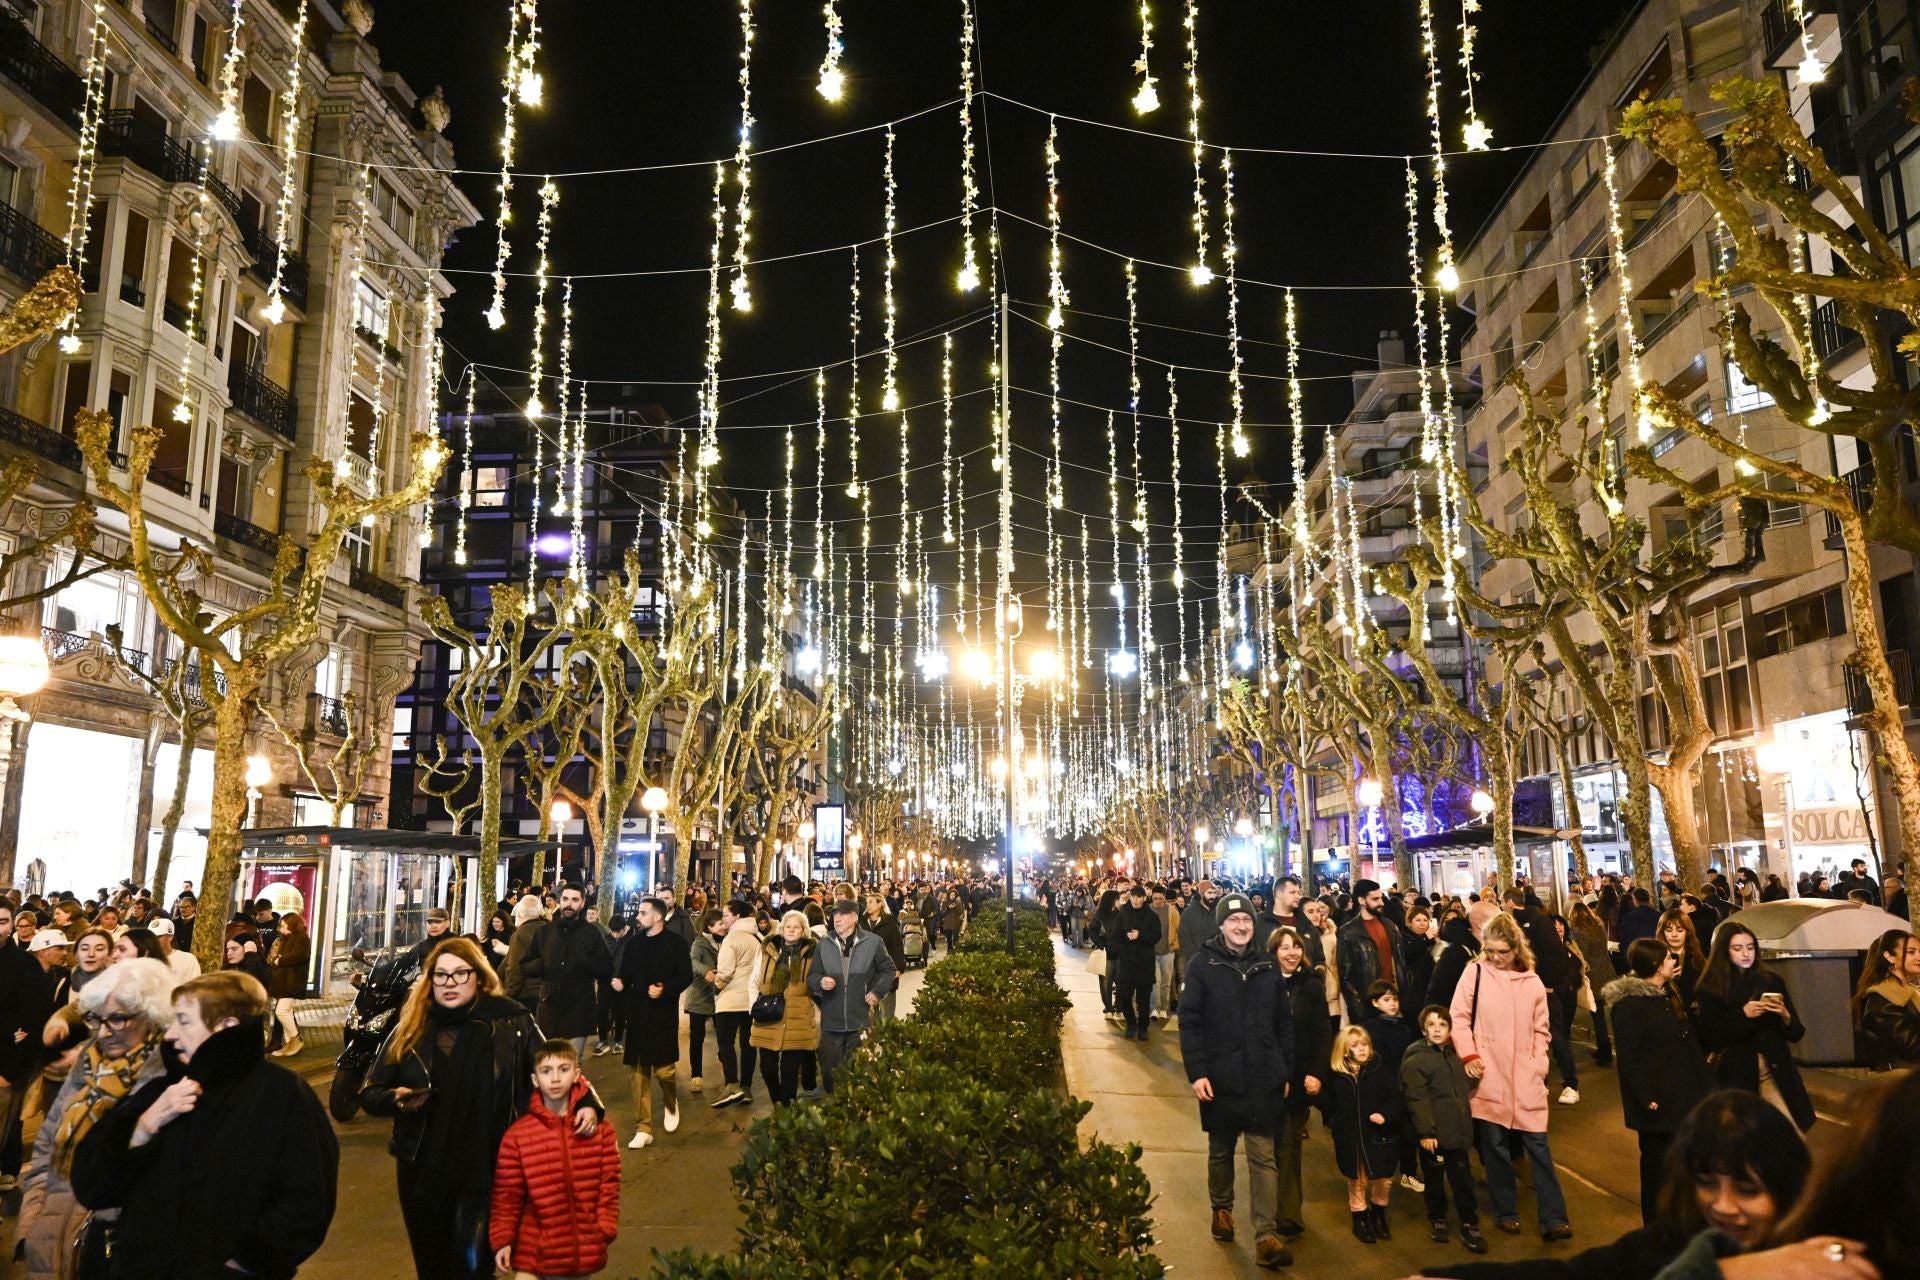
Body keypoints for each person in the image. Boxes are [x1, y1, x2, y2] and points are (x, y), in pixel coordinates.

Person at [69, 971, 339, 1279]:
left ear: (226, 1026)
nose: (170, 1035)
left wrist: (243, 1264)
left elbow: (307, 1202)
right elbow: (92, 1186)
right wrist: (145, 1125)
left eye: (183, 1021)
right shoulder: (159, 1092)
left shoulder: (282, 1095)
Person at [362, 936, 601, 1279]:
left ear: (478, 976)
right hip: (423, 1169)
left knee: (474, 1267)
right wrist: (396, 1099)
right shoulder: (411, 1027)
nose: (450, 983)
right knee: (432, 1268)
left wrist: (586, 1102)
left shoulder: (511, 1021)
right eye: (441, 975)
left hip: (488, 1167)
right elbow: (371, 1091)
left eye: (460, 973)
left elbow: (553, 1068)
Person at [1424, 1090, 1813, 1280]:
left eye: (1747, 1189)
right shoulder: (1672, 1244)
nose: (1722, 1206)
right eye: (1707, 1183)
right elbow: (1571, 1277)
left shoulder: (1821, 1260)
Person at [16, 959, 173, 1280]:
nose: (103, 1032)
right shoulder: (88, 1065)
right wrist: (32, 1222)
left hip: (115, 1252)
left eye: (117, 1019)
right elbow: (46, 1149)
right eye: (96, 1018)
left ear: (152, 1015)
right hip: (50, 1240)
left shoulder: (168, 1080)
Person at [1180, 892, 1295, 1271]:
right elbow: (1190, 1022)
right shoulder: (1202, 965)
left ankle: (1266, 1235)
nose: (1241, 926)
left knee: (1264, 1157)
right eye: (1233, 920)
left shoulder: (1267, 964)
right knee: (1221, 1150)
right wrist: (1198, 1072)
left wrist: (1284, 1069)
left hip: (1263, 1076)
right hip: (1220, 1076)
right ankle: (1222, 1209)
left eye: (1246, 920)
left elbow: (1283, 1022)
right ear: (1221, 925)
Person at [1450, 911, 1573, 1242]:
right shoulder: (1474, 972)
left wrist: (1538, 1065)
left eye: (1502, 951)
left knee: (1539, 1147)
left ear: (1516, 948)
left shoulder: (1532, 982)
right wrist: (1470, 1055)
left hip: (1526, 1077)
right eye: (1490, 950)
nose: (1495, 957)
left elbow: (1542, 1030)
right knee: (1495, 1147)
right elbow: (1458, 1017)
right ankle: (1506, 1210)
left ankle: (1554, 1218)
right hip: (1488, 1074)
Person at [487, 1040, 620, 1279]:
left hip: (580, 1248)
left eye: (563, 1069)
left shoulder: (601, 1131)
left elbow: (609, 1184)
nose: (555, 1078)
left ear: (577, 1074)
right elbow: (507, 1195)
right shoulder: (518, 1136)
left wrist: (604, 1228)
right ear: (535, 1079)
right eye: (546, 1071)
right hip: (534, 1248)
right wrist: (503, 1239)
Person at [1606, 938, 1716, 1226]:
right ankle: (1655, 1228)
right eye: (1668, 958)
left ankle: (1682, 1222)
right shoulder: (1629, 1005)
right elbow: (1628, 1056)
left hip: (1684, 1093)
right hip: (1658, 1103)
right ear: (1656, 965)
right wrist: (1646, 1096)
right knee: (1657, 1169)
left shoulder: (1668, 994)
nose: (1672, 961)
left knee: (1685, 1164)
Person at [1693, 920, 1814, 1133]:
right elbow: (1709, 1034)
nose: (1745, 953)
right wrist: (1743, 1014)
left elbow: (1796, 1032)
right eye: (1737, 948)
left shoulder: (1770, 981)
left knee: (1790, 1133)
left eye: (1750, 947)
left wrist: (1785, 1015)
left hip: (1774, 1069)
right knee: (1745, 1136)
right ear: (1724, 951)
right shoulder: (1710, 987)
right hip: (1736, 1074)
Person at [1401, 1003, 1487, 1254]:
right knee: (1435, 1181)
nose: (1437, 1029)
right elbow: (1416, 1099)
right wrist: (1426, 1132)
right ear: (1423, 1029)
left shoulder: (1452, 1055)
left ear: (1449, 1029)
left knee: (1463, 1181)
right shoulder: (1416, 1060)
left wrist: (1474, 1076)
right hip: (1434, 1136)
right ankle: (1438, 1218)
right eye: (1431, 1024)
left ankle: (1469, 1223)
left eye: (1442, 1024)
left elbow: (1459, 1086)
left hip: (1457, 1133)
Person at [615, 897, 692, 1148]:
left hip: (662, 1013)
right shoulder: (633, 944)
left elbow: (686, 975)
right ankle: (643, 1127)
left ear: (657, 916)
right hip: (637, 1014)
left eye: (642, 912)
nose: (637, 916)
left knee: (664, 1070)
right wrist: (621, 981)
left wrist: (665, 989)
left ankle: (670, 1103)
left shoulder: (676, 943)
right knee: (638, 1073)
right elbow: (626, 973)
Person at [1269, 926, 1328, 1240]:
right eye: (1284, 947)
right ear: (1274, 951)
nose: (1291, 952)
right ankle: (1276, 1210)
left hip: (1299, 1079)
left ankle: (1288, 1213)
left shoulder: (1311, 985)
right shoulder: (1263, 983)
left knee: (1289, 1145)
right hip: (1269, 1079)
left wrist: (1316, 1073)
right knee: (1274, 1148)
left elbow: (1322, 1033)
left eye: (1296, 947)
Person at [1321, 1025, 1403, 1245]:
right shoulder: (1338, 1076)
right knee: (1357, 1179)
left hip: (1378, 1134)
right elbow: (1328, 1101)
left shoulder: (1380, 1070)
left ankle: (1379, 1212)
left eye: (1364, 1044)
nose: (1362, 1049)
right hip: (1351, 1137)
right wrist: (1332, 1116)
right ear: (1344, 1050)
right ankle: (1359, 1216)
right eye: (1355, 1046)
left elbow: (1396, 1097)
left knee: (1383, 1178)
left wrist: (1385, 1114)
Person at [808, 899, 897, 1092]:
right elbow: (812, 976)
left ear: (855, 918)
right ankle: (836, 1107)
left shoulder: (873, 942)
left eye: (843, 914)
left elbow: (888, 969)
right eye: (835, 914)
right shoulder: (824, 943)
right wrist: (820, 982)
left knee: (860, 1076)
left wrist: (877, 991)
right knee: (831, 1076)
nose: (837, 918)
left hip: (861, 1022)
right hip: (831, 1024)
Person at [525, 883, 612, 1056]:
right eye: (565, 899)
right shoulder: (544, 932)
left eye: (574, 900)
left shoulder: (592, 933)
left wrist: (584, 962)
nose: (569, 904)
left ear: (583, 903)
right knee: (548, 1061)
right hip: (549, 1008)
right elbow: (525, 965)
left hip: (579, 1009)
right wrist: (544, 964)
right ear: (560, 900)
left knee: (572, 1063)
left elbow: (607, 968)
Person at [749, 911, 820, 1106]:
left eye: (796, 927)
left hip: (798, 1018)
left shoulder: (812, 954)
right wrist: (753, 1007)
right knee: (767, 1069)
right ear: (781, 928)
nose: (791, 930)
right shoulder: (767, 951)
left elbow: (816, 983)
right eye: (788, 926)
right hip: (768, 1017)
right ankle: (778, 1101)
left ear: (803, 931)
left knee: (790, 1071)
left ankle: (786, 1109)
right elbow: (754, 981)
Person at [708, 898, 765, 1109]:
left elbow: (725, 972)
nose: (723, 919)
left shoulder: (732, 938)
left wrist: (717, 986)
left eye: (725, 915)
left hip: (731, 999)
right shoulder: (758, 937)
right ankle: (746, 1087)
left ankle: (732, 1084)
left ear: (737, 916)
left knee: (725, 1042)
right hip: (752, 999)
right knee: (748, 1044)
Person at [1336, 880, 1408, 1027]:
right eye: (1375, 899)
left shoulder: (1390, 926)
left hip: (1394, 1000)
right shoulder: (1348, 932)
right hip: (1369, 1006)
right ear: (1361, 900)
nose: (1381, 903)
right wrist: (1358, 1012)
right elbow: (1346, 978)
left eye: (1381, 898)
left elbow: (1400, 963)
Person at [1852, 927, 1920, 1072]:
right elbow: (1912, 1047)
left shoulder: (1911, 992)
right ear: (1890, 956)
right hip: (1904, 1080)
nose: (1919, 956)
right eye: (1911, 952)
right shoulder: (1884, 999)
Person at [1110, 884, 1163, 1041]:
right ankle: (1131, 1023)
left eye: (1139, 897)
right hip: (1127, 962)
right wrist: (1123, 946)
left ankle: (1143, 1027)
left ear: (1144, 898)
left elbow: (1156, 936)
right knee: (1124, 995)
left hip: (1144, 963)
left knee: (1143, 999)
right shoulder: (1123, 914)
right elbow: (1116, 936)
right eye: (1133, 896)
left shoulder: (1151, 916)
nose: (1135, 899)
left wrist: (1140, 935)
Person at [1567, 900, 1614, 1066]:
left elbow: (1582, 956)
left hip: (1593, 977)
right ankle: (1604, 1049)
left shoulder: (1577, 932)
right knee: (1604, 1014)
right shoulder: (1598, 927)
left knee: (1598, 1016)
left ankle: (1605, 1052)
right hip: (1606, 972)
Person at [684, 909, 722, 1096]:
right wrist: (705, 970)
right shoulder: (700, 943)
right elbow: (692, 961)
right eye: (720, 924)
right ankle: (696, 1076)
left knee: (724, 1038)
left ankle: (729, 1075)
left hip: (720, 997)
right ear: (710, 926)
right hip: (700, 997)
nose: (723, 926)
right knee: (697, 1038)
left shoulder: (727, 940)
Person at [265, 910, 311, 1058]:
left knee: (281, 1011)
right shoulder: (288, 938)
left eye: (284, 926)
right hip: (284, 982)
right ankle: (289, 1043)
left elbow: (300, 956)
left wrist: (280, 960)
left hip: (292, 981)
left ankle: (296, 1039)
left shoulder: (301, 938)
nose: (281, 929)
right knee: (287, 1011)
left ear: (292, 925)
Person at [860, 893, 906, 1019]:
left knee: (887, 1014)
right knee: (870, 1016)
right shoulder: (862, 922)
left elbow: (897, 946)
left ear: (880, 903)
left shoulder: (890, 922)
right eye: (867, 902)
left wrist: (898, 968)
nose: (867, 905)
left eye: (871, 902)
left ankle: (887, 1032)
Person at [594, 913, 632, 1057]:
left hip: (622, 984)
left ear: (624, 928)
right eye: (613, 931)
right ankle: (602, 1040)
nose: (615, 934)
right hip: (605, 982)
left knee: (620, 1012)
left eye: (618, 932)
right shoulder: (605, 939)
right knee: (602, 1011)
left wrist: (625, 980)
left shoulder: (631, 941)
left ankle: (618, 1041)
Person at [501, 895, 548, 1010]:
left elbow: (515, 969)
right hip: (546, 993)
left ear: (520, 914)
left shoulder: (519, 935)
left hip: (526, 995)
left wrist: (507, 998)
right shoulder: (549, 930)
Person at [1656, 908, 1706, 1013]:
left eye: (1680, 930)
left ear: (1687, 932)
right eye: (1669, 930)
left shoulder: (1699, 959)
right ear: (1662, 932)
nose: (1674, 934)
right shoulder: (1655, 959)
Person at [1151, 885, 1180, 1019]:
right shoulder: (1147, 910)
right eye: (1155, 898)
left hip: (1168, 951)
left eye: (1160, 898)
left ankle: (1163, 1008)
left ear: (1164, 898)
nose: (1158, 901)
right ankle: (1155, 1008)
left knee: (1166, 982)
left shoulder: (1172, 911)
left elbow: (1179, 929)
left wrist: (1175, 945)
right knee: (1155, 981)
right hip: (1151, 952)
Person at [144, 917, 199, 987]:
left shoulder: (188, 960)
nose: (153, 940)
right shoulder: (145, 960)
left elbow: (194, 988)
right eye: (151, 937)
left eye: (158, 937)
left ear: (170, 936)